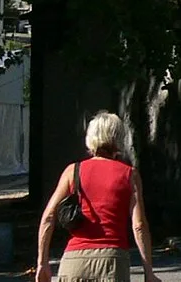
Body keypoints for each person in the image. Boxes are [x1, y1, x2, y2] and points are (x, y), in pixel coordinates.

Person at [35, 111, 159, 282]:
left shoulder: (73, 171)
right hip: (112, 262)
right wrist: (148, 272)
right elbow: (138, 225)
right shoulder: (129, 175)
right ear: (118, 139)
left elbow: (48, 217)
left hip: (74, 262)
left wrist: (42, 263)